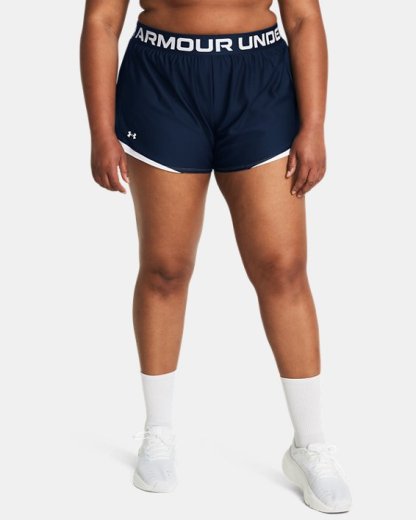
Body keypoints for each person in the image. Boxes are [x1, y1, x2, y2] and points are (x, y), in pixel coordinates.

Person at [80, 0, 352, 512]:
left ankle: (310, 444)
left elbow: (303, 18)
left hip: (259, 80)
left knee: (282, 268)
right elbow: (101, 20)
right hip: (161, 80)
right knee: (165, 268)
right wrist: (100, 131)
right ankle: (158, 432)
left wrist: (314, 125)